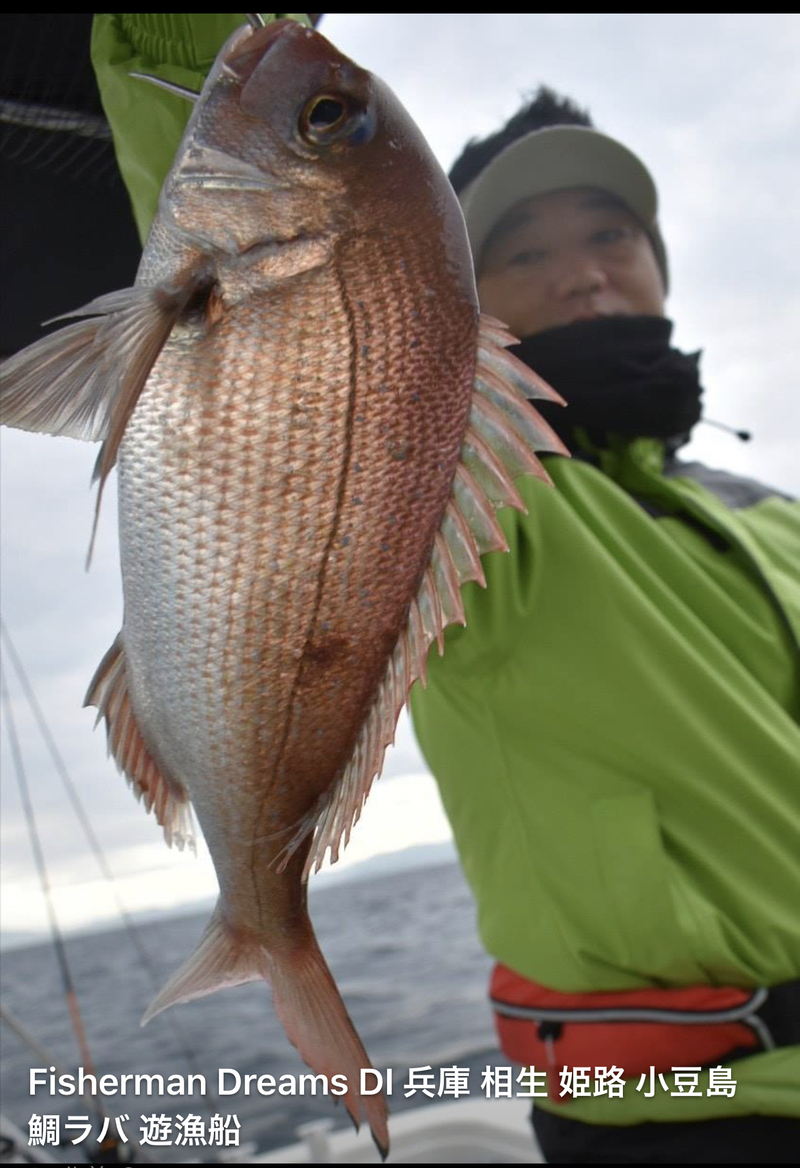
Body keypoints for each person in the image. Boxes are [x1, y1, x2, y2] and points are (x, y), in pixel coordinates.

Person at [409, 90, 800, 1162]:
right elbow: (274, 295)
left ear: (656, 260)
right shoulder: (462, 500)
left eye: (608, 234)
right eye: (523, 251)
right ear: (460, 306)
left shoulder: (766, 512)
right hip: (680, 1121)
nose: (581, 271)